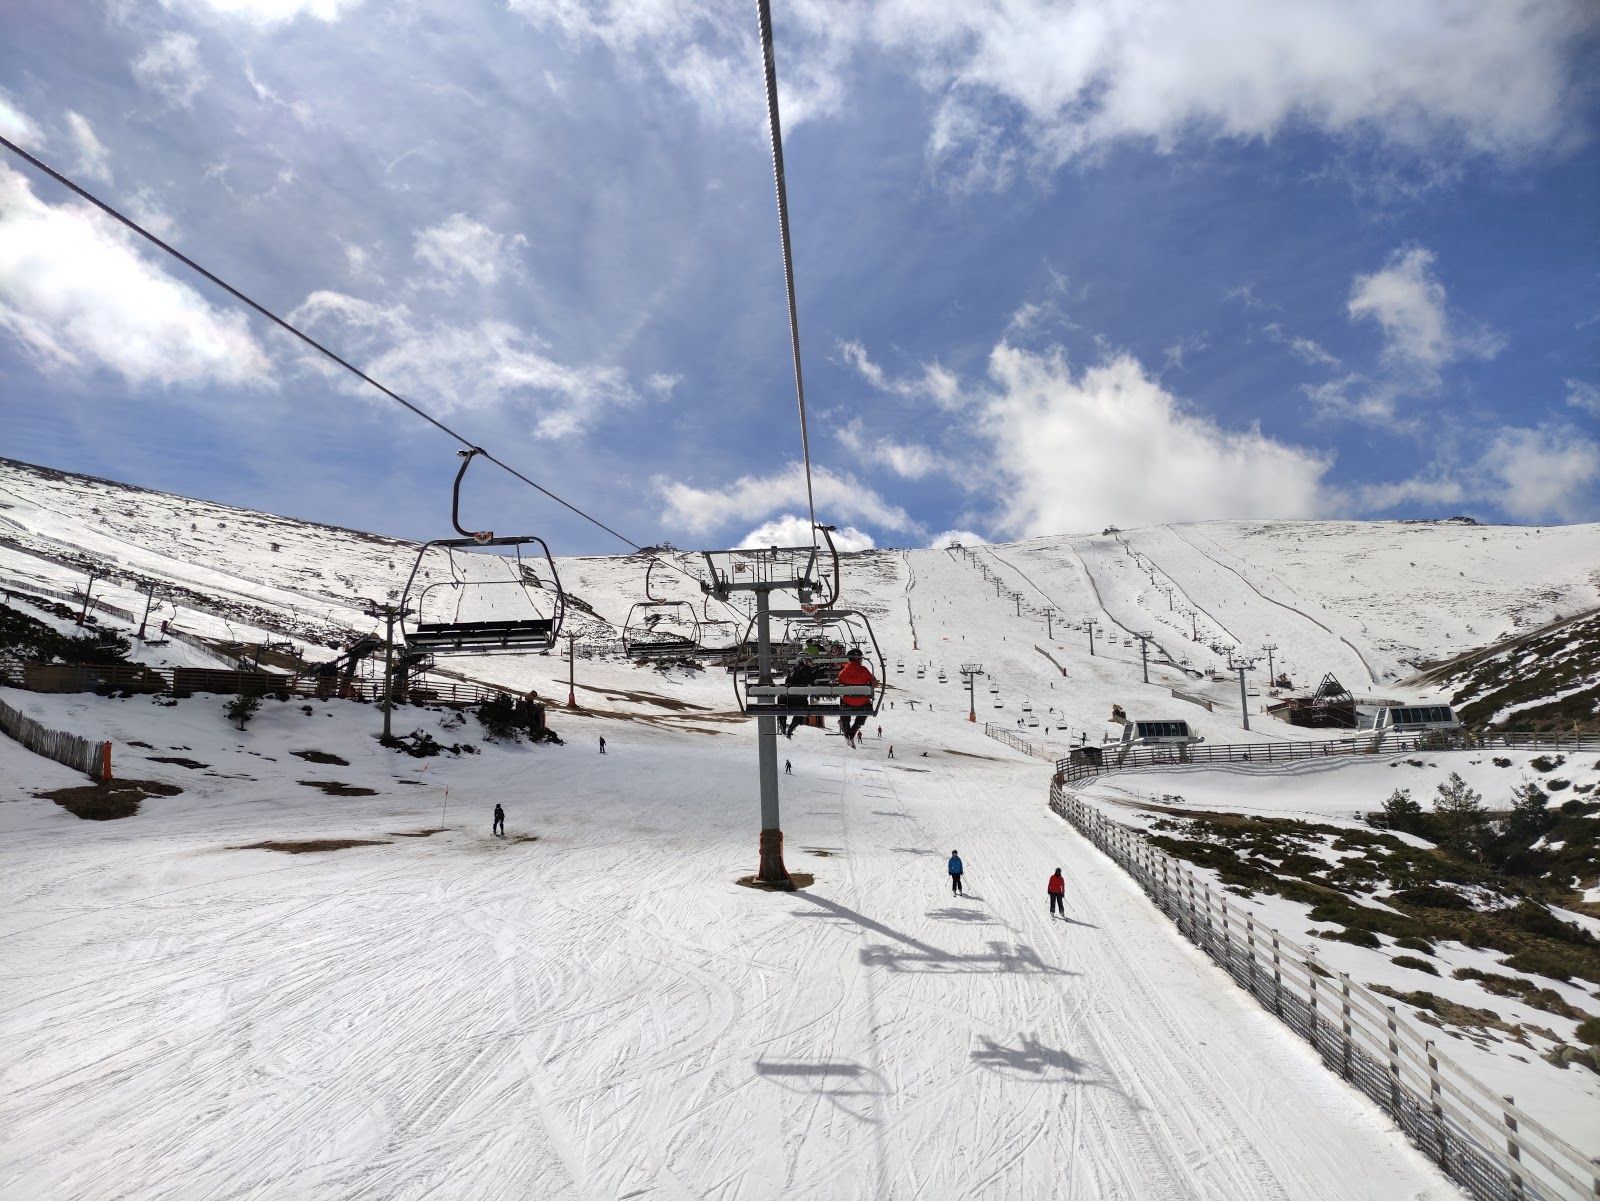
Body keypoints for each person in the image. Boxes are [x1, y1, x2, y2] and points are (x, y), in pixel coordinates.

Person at [836, 648, 875, 747]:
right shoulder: (864, 670)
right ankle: (852, 732)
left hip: (847, 701)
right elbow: (873, 682)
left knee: (844, 705)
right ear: (858, 659)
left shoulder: (843, 672)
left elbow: (840, 684)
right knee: (867, 708)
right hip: (863, 702)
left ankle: (846, 729)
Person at [780, 653, 821, 737]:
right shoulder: (805, 669)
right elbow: (809, 680)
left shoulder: (793, 668)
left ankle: (783, 725)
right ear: (803, 660)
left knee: (782, 706)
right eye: (808, 660)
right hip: (798, 698)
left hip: (786, 697)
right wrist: (818, 672)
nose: (810, 663)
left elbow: (798, 677)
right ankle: (791, 727)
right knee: (804, 708)